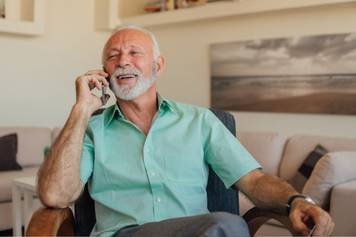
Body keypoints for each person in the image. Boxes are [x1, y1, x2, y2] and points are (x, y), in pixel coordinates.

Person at [37, 25, 334, 237]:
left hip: (198, 232)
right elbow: (54, 195)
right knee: (229, 227)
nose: (123, 61)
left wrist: (297, 201)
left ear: (158, 65)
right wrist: (81, 109)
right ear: (103, 71)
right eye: (113, 56)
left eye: (134, 52)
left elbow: (254, 180)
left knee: (226, 226)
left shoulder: (200, 121)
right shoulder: (92, 128)